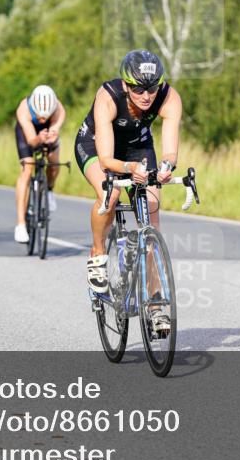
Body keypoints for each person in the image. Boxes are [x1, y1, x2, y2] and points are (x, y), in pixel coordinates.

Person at [73, 50, 182, 330]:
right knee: (110, 194)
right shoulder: (109, 97)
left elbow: (170, 150)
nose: (146, 96)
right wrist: (128, 169)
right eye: (138, 89)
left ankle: (156, 305)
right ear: (125, 84)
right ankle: (98, 254)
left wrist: (167, 166)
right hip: (96, 146)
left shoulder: (169, 97)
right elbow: (107, 160)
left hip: (138, 147)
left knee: (152, 220)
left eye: (152, 89)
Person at [14, 85, 66, 243]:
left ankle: (49, 189)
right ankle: (21, 224)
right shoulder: (23, 110)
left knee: (54, 163)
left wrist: (52, 136)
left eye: (46, 117)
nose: (43, 120)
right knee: (27, 167)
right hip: (27, 132)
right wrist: (39, 139)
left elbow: (55, 130)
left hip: (48, 131)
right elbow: (31, 141)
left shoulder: (58, 109)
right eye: (40, 117)